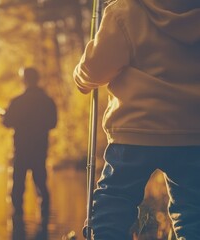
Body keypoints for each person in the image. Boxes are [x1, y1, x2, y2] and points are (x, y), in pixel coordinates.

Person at [73, 0, 200, 239]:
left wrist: (81, 78)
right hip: (193, 132)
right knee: (193, 212)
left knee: (114, 203)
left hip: (135, 130)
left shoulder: (125, 11)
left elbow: (95, 69)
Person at [0, 67, 57, 230]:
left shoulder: (17, 101)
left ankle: (17, 221)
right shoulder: (47, 101)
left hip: (21, 151)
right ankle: (44, 220)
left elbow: (7, 122)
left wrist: (4, 116)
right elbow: (53, 123)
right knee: (41, 185)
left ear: (25, 80)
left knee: (17, 187)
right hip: (40, 151)